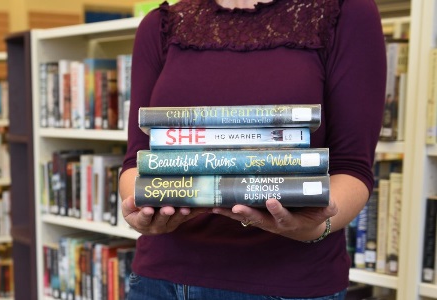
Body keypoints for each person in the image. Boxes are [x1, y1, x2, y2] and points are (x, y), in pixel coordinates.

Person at [118, 0, 386, 299]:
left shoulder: (345, 12)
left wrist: (311, 225)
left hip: (291, 283)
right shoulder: (160, 24)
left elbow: (353, 167)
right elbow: (138, 159)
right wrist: (142, 206)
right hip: (161, 281)